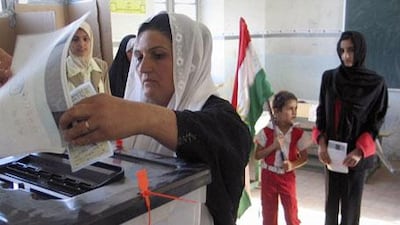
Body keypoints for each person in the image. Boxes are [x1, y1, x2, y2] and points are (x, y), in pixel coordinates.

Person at [59, 12, 252, 225]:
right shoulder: (140, 108)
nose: (143, 68)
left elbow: (235, 140)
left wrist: (142, 118)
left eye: (158, 55)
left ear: (190, 61)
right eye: (139, 57)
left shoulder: (215, 112)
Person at [313, 31, 388, 225]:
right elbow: (321, 112)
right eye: (342, 50)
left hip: (355, 156)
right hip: (331, 154)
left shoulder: (375, 84)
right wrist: (321, 144)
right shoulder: (329, 78)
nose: (346, 55)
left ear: (361, 51)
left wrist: (359, 151)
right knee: (331, 204)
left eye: (351, 50)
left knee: (351, 206)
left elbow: (375, 122)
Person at [254, 90, 311, 225]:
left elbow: (304, 157)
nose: (294, 112)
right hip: (268, 175)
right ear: (277, 111)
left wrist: (292, 165)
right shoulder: (267, 131)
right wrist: (273, 147)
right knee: (269, 213)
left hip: (287, 177)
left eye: (295, 108)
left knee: (291, 213)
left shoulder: (298, 133)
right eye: (290, 109)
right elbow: (257, 155)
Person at [66, 21, 110, 94]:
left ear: (91, 41)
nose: (81, 44)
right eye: (75, 39)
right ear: (69, 42)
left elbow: (108, 97)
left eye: (85, 39)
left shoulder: (101, 65)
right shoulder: (63, 70)